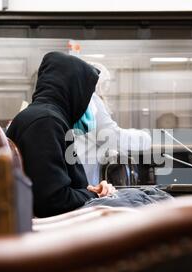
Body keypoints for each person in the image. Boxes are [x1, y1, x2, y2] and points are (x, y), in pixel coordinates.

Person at [7, 52, 115, 218]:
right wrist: (97, 196)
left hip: (69, 218)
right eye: (86, 95)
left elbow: (59, 187)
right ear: (73, 90)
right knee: (150, 201)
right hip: (63, 226)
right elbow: (54, 201)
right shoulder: (46, 122)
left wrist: (92, 190)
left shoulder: (48, 118)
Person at [75, 63, 152, 186]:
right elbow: (110, 137)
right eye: (106, 85)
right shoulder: (91, 100)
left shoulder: (80, 98)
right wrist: (145, 138)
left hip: (82, 176)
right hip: (84, 180)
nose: (106, 90)